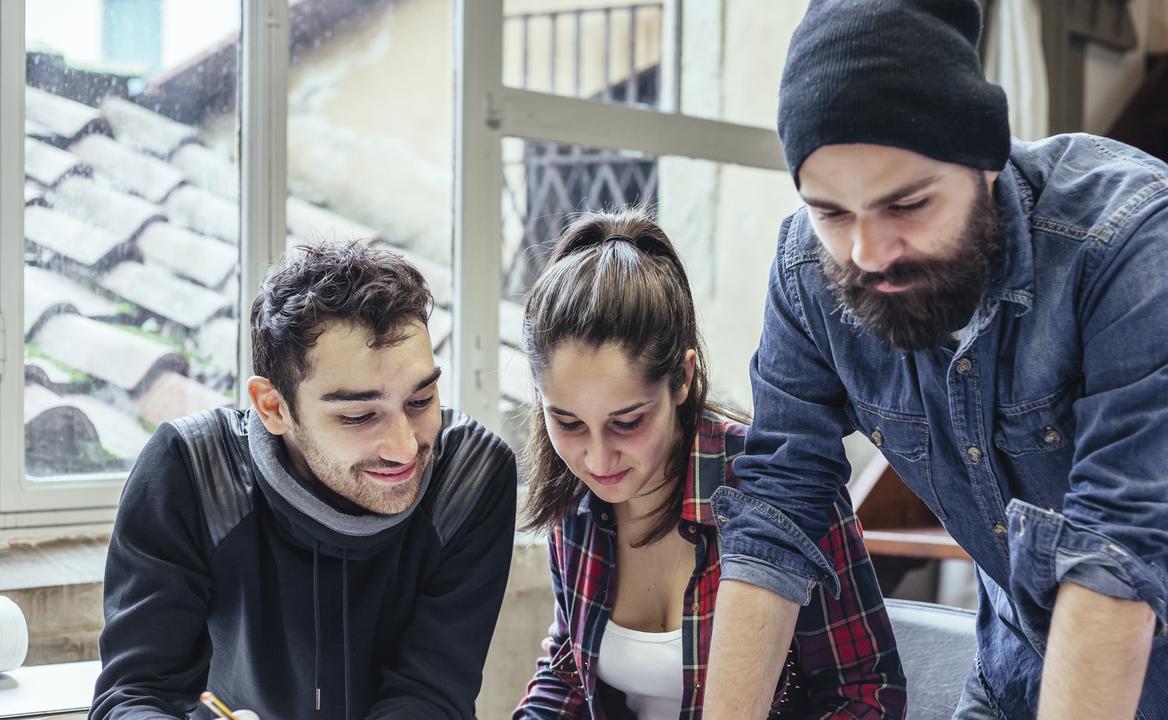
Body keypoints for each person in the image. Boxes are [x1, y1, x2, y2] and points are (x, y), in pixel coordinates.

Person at [701, 1, 1168, 719]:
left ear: (985, 161)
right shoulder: (807, 272)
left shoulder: (1130, 233)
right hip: (1025, 674)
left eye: (907, 204)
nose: (868, 254)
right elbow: (775, 512)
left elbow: (1115, 547)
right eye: (831, 213)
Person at [90, 242, 517, 719]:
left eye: (420, 401)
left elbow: (433, 693)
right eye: (358, 416)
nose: (403, 447)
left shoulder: (473, 478)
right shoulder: (190, 471)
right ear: (273, 407)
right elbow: (134, 696)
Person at [512, 210, 906, 719]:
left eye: (627, 422)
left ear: (681, 377)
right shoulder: (575, 499)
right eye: (567, 423)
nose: (596, 458)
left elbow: (867, 694)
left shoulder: (780, 483)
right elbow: (569, 664)